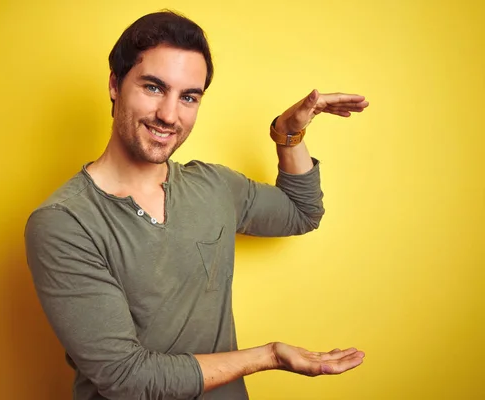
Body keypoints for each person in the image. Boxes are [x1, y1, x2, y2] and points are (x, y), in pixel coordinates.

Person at [25, 10, 368, 400]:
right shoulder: (64, 223)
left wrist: (288, 134)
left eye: (189, 97)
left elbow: (301, 211)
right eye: (153, 87)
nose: (169, 115)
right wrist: (268, 356)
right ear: (115, 85)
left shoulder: (213, 185)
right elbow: (126, 377)